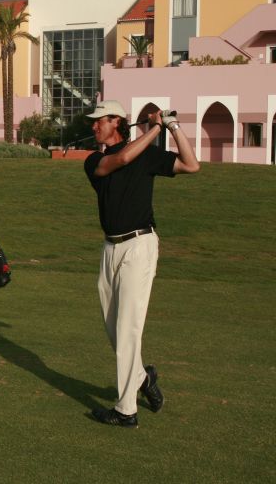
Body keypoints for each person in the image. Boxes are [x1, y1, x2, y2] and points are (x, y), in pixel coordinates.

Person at [83, 100, 199, 427]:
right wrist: (155, 129)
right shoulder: (95, 160)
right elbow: (120, 159)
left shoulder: (146, 153)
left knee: (128, 328)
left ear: (116, 122)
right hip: (110, 249)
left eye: (99, 121)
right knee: (113, 328)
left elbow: (192, 166)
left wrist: (172, 127)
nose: (93, 127)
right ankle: (143, 379)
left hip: (139, 245)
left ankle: (126, 410)